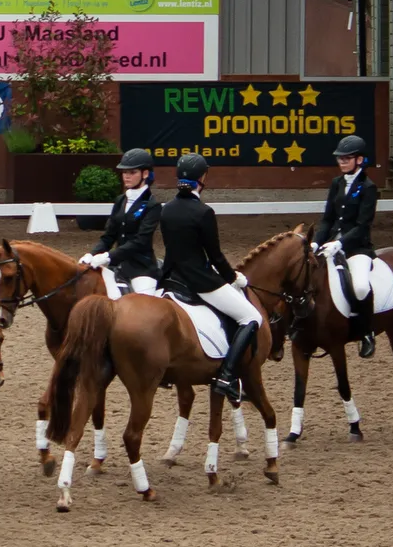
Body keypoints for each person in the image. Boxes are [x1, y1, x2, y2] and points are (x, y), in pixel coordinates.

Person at [159, 153, 261, 405]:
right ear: (202, 178)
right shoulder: (204, 212)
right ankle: (227, 377)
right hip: (201, 281)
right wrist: (233, 277)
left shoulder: (166, 210)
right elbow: (214, 256)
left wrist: (163, 282)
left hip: (173, 279)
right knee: (252, 317)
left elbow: (171, 252)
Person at [314, 135, 378, 358]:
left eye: (347, 158)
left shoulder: (369, 187)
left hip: (357, 248)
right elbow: (327, 219)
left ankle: (367, 332)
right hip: (331, 244)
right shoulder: (336, 183)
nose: (342, 162)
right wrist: (316, 242)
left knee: (360, 286)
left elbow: (363, 226)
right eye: (340, 158)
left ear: (359, 160)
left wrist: (340, 243)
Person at [79, 148, 161, 295]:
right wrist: (92, 254)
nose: (126, 177)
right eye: (124, 173)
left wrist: (109, 256)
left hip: (141, 268)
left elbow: (140, 241)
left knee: (144, 307)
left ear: (145, 174)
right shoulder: (120, 201)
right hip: (117, 266)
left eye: (132, 172)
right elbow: (109, 236)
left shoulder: (152, 205)